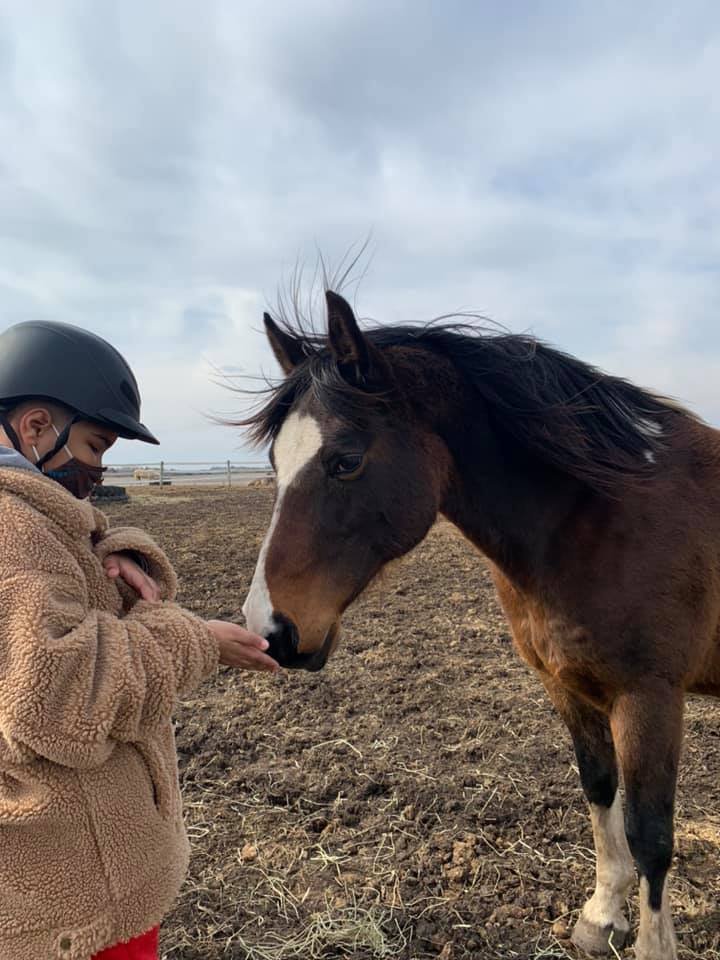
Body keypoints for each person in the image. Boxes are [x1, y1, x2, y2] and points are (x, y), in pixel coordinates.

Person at [0, 320, 280, 960]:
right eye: (96, 447)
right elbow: (60, 696)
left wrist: (112, 551)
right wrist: (193, 640)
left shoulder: (32, 513)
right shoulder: (9, 526)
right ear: (37, 427)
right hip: (70, 900)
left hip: (69, 874)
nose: (99, 470)